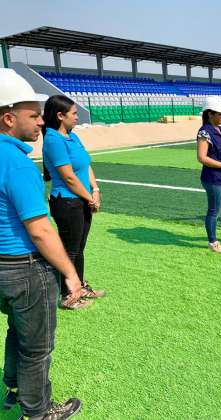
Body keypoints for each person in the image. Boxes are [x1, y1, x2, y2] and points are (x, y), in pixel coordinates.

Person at [0, 69, 82, 419]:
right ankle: (38, 412)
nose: (40, 123)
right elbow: (40, 231)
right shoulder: (16, 162)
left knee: (17, 331)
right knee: (38, 348)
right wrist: (71, 274)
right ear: (8, 118)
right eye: (33, 115)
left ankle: (13, 391)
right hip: (25, 268)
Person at [42, 95, 105, 310]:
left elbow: (86, 165)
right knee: (69, 250)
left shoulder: (71, 136)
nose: (77, 117)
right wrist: (90, 199)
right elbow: (68, 177)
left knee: (79, 247)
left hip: (82, 200)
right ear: (60, 116)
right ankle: (66, 294)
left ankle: (79, 286)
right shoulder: (53, 140)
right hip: (68, 203)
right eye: (74, 113)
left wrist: (95, 190)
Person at [196, 96, 221, 253]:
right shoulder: (204, 132)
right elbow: (202, 157)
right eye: (219, 114)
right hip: (213, 179)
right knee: (214, 211)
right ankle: (212, 242)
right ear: (210, 114)